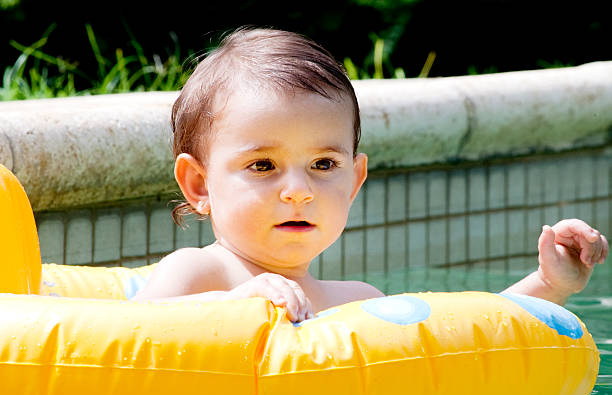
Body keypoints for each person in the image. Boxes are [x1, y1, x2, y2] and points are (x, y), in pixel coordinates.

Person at [132, 27, 609, 322]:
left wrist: (551, 284)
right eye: (263, 165)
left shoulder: (356, 300)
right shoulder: (199, 274)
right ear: (199, 185)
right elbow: (131, 340)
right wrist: (231, 306)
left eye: (323, 165)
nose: (298, 192)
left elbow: (458, 339)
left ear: (355, 180)